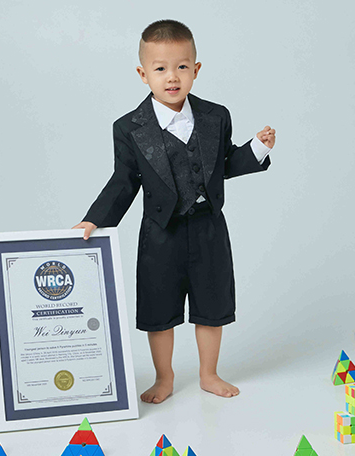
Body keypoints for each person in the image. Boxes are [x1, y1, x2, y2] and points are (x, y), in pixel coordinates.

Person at [72, 19, 276, 404]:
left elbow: (224, 164)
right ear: (143, 74)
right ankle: (163, 378)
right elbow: (124, 181)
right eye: (161, 68)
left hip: (209, 228)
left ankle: (209, 374)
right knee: (159, 308)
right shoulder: (129, 128)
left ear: (196, 70)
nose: (172, 77)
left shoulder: (216, 116)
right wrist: (95, 219)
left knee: (212, 305)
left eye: (182, 67)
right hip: (160, 233)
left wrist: (257, 149)